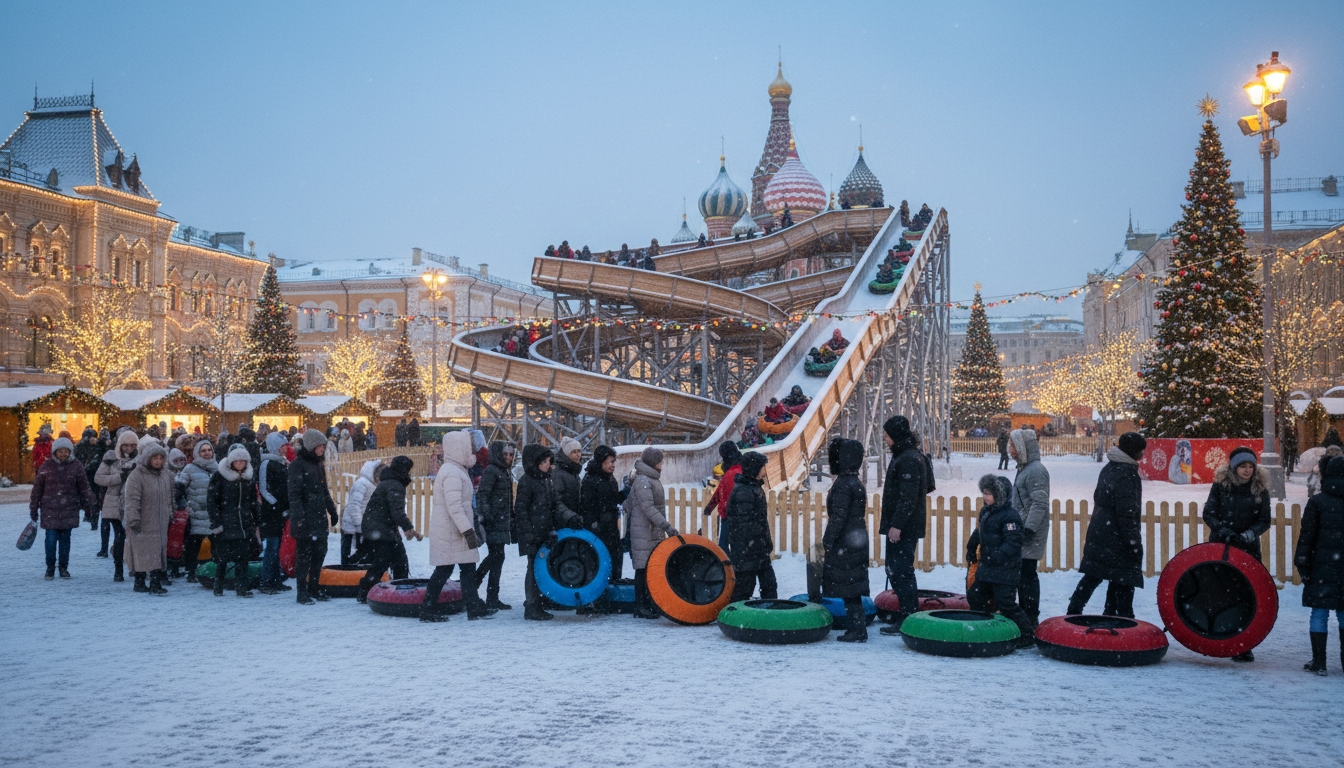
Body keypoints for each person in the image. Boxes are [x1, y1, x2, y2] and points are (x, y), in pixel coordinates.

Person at [1201, 447, 1272, 662]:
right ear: (1234, 467)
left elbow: (1264, 520)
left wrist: (1250, 533)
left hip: (1248, 549)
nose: (1247, 470)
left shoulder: (1260, 489)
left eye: (1250, 466)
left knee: (1246, 594)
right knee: (1221, 592)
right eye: (1243, 466)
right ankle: (1218, 637)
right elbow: (1209, 514)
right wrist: (1225, 532)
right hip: (1221, 547)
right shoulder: (1220, 486)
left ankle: (1243, 644)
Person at [1067, 432, 1146, 618]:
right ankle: (1124, 618)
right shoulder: (1127, 474)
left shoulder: (1110, 467)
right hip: (1117, 537)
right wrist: (1133, 541)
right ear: (1134, 452)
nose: (1143, 454)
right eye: (1142, 450)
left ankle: (1076, 611)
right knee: (1123, 577)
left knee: (1095, 575)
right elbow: (1126, 513)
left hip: (1101, 531)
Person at [422, 434, 498, 621]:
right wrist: (468, 531)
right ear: (459, 449)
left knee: (467, 569)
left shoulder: (457, 469)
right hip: (451, 532)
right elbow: (454, 506)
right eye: (468, 448)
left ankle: (473, 607)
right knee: (444, 570)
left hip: (456, 531)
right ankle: (427, 609)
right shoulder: (452, 473)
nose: (471, 452)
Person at [965, 474, 1037, 647]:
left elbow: (1013, 542)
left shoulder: (1010, 516)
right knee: (975, 596)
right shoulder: (986, 512)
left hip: (1005, 570)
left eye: (989, 493)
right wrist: (971, 547)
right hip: (987, 568)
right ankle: (984, 627)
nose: (985, 497)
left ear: (999, 495)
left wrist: (997, 556)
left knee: (1006, 603)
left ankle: (1027, 635)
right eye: (984, 493)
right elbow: (980, 532)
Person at [514, 444, 582, 621]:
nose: (548, 464)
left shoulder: (546, 480)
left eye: (548, 461)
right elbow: (521, 510)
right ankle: (531, 605)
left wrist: (571, 517)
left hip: (544, 531)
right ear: (534, 462)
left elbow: (556, 504)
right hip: (533, 533)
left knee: (542, 567)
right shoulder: (527, 482)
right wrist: (529, 533)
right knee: (533, 568)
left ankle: (539, 601)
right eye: (544, 461)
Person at [877, 415, 931, 635]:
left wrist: (897, 524)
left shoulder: (908, 458)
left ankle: (908, 616)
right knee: (896, 569)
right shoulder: (907, 455)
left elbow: (908, 496)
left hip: (904, 526)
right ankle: (906, 614)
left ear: (896, 435)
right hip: (904, 523)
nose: (885, 438)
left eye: (887, 435)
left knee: (900, 571)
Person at [1295, 456, 1343, 676]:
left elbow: (1307, 537)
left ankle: (1319, 662)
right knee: (1343, 614)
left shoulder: (1317, 502)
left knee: (1319, 613)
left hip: (1321, 567)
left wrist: (1303, 564)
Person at [823, 438, 870, 642]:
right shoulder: (855, 483)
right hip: (856, 537)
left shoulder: (843, 484)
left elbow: (838, 517)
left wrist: (828, 540)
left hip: (846, 541)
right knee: (852, 586)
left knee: (848, 587)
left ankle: (858, 630)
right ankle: (858, 627)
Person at [354, 456, 420, 600]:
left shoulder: (389, 482)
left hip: (379, 527)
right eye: (408, 470)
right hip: (380, 528)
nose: (409, 473)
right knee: (389, 560)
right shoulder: (395, 485)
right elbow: (397, 511)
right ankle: (395, 589)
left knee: (394, 559)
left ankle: (392, 589)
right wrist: (408, 528)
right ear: (403, 470)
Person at [30, 436, 96, 580]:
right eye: (60, 451)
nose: (63, 454)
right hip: (50, 510)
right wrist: (33, 508)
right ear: (55, 452)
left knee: (65, 541)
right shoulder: (46, 466)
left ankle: (63, 567)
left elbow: (84, 485)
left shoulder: (76, 466)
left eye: (66, 451)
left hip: (69, 509)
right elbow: (37, 489)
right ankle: (50, 568)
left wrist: (89, 501)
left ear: (70, 451)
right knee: (50, 540)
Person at [288, 429, 339, 605]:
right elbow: (294, 494)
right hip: (305, 518)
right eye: (320, 446)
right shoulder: (297, 465)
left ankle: (314, 587)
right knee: (304, 556)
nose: (323, 449)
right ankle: (302, 592)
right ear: (311, 446)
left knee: (320, 553)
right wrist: (299, 517)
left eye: (324, 446)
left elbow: (324, 491)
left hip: (318, 517)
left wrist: (332, 510)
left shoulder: (318, 464)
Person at [627, 447, 678, 619]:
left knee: (650, 568)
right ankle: (641, 605)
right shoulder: (643, 480)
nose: (662, 465)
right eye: (660, 462)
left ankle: (648, 604)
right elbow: (648, 508)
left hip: (650, 531)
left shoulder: (649, 479)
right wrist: (666, 526)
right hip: (644, 531)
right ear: (654, 463)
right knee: (643, 569)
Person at [206, 444, 261, 598]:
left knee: (243, 558)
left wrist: (257, 519)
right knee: (223, 558)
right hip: (226, 522)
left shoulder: (248, 478)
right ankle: (218, 586)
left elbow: (252, 501)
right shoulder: (220, 476)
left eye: (243, 462)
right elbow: (212, 501)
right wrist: (216, 522)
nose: (240, 464)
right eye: (237, 462)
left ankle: (241, 588)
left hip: (243, 522)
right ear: (231, 462)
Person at [1009, 428, 1050, 624]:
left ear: (1022, 447)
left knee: (1027, 575)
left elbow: (1040, 503)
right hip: (1022, 530)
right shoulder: (1025, 469)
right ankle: (1025, 616)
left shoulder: (1035, 471)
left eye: (1013, 445)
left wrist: (1029, 529)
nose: (1010, 449)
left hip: (1029, 532)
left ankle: (1030, 617)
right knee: (1022, 575)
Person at [123, 443, 176, 595]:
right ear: (147, 459)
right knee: (143, 553)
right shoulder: (137, 476)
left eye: (161, 458)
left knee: (156, 553)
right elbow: (132, 500)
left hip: (160, 521)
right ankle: (143, 582)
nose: (158, 461)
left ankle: (152, 582)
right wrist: (133, 519)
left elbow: (170, 497)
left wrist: (170, 512)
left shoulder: (165, 475)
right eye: (155, 458)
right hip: (143, 522)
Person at [727, 451, 776, 602]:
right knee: (745, 587)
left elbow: (760, 521)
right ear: (754, 469)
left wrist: (765, 543)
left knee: (769, 584)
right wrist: (754, 542)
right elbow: (743, 524)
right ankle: (736, 612)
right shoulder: (743, 491)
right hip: (747, 550)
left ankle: (771, 609)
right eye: (762, 467)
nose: (764, 471)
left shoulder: (753, 487)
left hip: (758, 549)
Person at [94, 430, 140, 581]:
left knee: (134, 538)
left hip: (134, 502)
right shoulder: (111, 458)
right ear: (120, 445)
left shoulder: (141, 459)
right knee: (120, 537)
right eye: (125, 445)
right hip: (115, 503)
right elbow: (99, 478)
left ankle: (135, 567)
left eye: (132, 445)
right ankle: (118, 569)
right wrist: (119, 477)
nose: (129, 449)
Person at [475, 441, 516, 610]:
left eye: (511, 454)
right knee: (496, 556)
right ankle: (476, 586)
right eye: (505, 454)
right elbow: (483, 494)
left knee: (497, 557)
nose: (508, 457)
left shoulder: (504, 471)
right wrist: (487, 516)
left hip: (501, 520)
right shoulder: (492, 471)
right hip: (494, 521)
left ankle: (489, 594)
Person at [581, 444, 627, 578]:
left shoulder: (610, 478)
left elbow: (613, 500)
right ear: (601, 461)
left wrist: (624, 493)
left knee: (614, 556)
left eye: (614, 462)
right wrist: (594, 523)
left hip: (611, 526)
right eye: (610, 462)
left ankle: (614, 581)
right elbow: (587, 505)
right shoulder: (591, 480)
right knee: (600, 559)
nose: (613, 465)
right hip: (598, 529)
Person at [177, 441, 219, 583]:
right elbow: (179, 488)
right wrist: (186, 505)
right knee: (194, 544)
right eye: (203, 450)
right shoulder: (189, 469)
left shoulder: (218, 468)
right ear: (197, 453)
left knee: (214, 544)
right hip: (195, 513)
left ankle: (212, 570)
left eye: (209, 450)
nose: (207, 453)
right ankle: (191, 571)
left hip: (212, 513)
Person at [257, 431, 291, 593]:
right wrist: (275, 504)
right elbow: (264, 488)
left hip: (281, 511)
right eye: (282, 446)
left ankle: (276, 579)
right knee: (271, 547)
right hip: (271, 513)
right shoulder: (267, 463)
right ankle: (266, 581)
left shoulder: (282, 462)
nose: (285, 449)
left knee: (277, 547)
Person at [703, 442, 742, 554]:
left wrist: (711, 507)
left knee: (724, 547)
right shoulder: (738, 470)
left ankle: (730, 564)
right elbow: (721, 490)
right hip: (735, 515)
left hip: (730, 516)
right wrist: (710, 507)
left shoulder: (732, 473)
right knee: (734, 546)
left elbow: (723, 492)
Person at [341, 459, 382, 565]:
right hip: (352, 526)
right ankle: (346, 570)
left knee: (361, 554)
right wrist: (359, 525)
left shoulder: (373, 485)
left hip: (363, 526)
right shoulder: (362, 484)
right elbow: (354, 505)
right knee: (350, 554)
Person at [74, 427, 102, 530]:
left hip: (94, 476)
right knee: (88, 498)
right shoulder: (81, 447)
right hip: (86, 476)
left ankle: (92, 519)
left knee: (93, 499)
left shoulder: (98, 447)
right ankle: (89, 516)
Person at [552, 438, 584, 528]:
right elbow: (556, 501)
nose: (578, 455)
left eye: (579, 451)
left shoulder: (573, 472)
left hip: (573, 521)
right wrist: (570, 517)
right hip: (564, 523)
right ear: (566, 454)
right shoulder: (558, 474)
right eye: (574, 452)